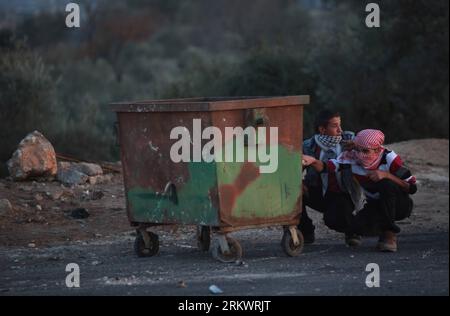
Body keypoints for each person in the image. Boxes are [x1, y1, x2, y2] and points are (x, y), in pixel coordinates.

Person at [302, 129, 417, 252]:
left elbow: (411, 187)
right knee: (351, 226)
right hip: (375, 205)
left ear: (378, 150)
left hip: (400, 204)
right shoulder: (352, 158)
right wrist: (313, 161)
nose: (360, 154)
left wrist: (387, 175)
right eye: (357, 149)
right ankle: (379, 228)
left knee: (385, 184)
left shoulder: (390, 159)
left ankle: (389, 234)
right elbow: (327, 167)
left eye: (365, 151)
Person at [298, 109, 360, 246]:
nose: (340, 130)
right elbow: (297, 168)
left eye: (340, 125)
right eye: (334, 126)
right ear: (322, 129)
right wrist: (298, 183)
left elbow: (372, 151)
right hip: (318, 191)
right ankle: (306, 231)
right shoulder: (308, 146)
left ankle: (352, 231)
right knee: (292, 193)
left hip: (342, 192)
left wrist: (358, 146)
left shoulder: (350, 140)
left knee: (335, 219)